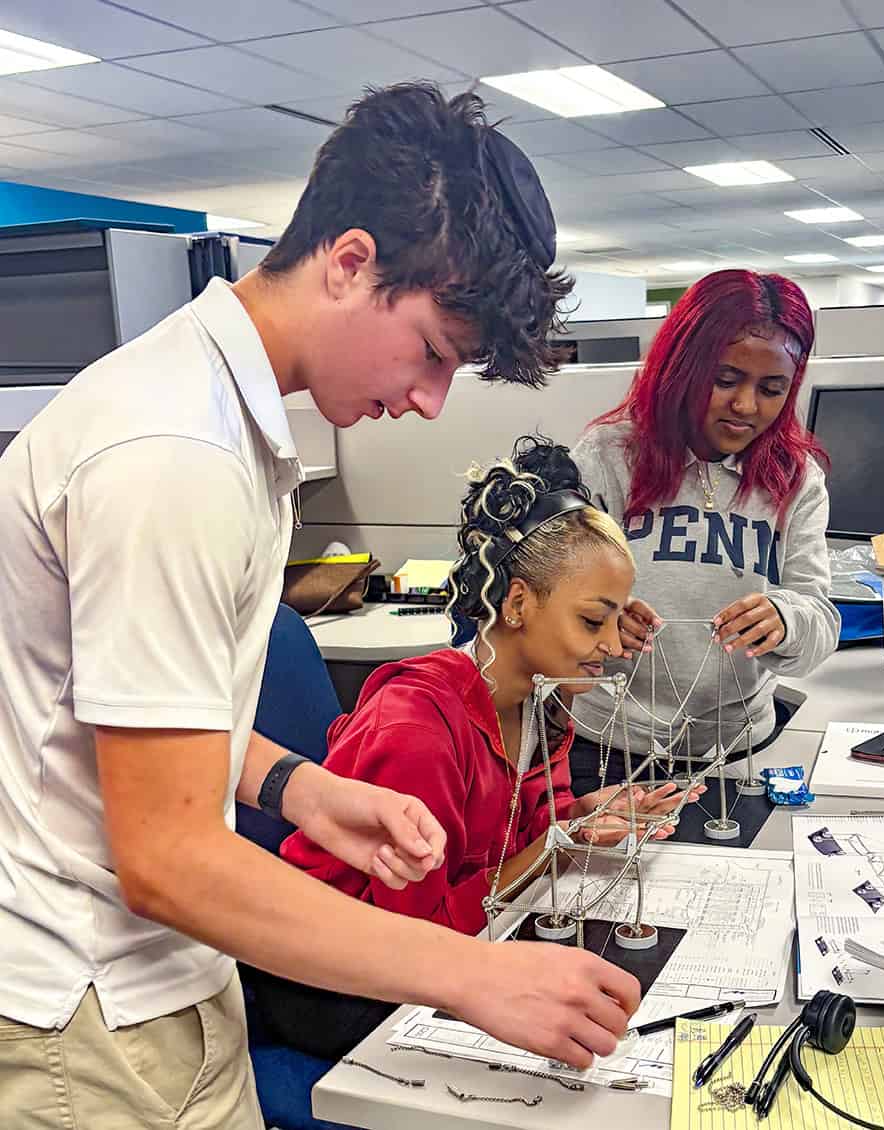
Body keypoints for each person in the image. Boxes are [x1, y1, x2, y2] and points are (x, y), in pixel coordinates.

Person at [0, 84, 639, 1129]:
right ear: (349, 261)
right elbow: (165, 855)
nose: (431, 400)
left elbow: (132, 706)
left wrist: (297, 787)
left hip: (160, 977)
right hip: (88, 1009)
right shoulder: (172, 452)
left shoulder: (217, 421)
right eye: (434, 350)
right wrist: (470, 973)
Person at [247, 437, 702, 1059]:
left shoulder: (543, 703)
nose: (611, 643)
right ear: (517, 603)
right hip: (338, 981)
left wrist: (583, 820)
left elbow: (522, 838)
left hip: (445, 942)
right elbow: (412, 938)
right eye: (594, 621)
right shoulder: (419, 729)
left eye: (618, 621)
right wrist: (555, 849)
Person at [569, 270, 840, 794]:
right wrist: (599, 620)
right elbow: (550, 603)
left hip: (740, 753)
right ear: (682, 368)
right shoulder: (608, 457)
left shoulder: (796, 478)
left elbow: (819, 619)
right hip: (607, 748)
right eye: (725, 379)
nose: (746, 406)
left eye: (771, 389)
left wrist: (786, 617)